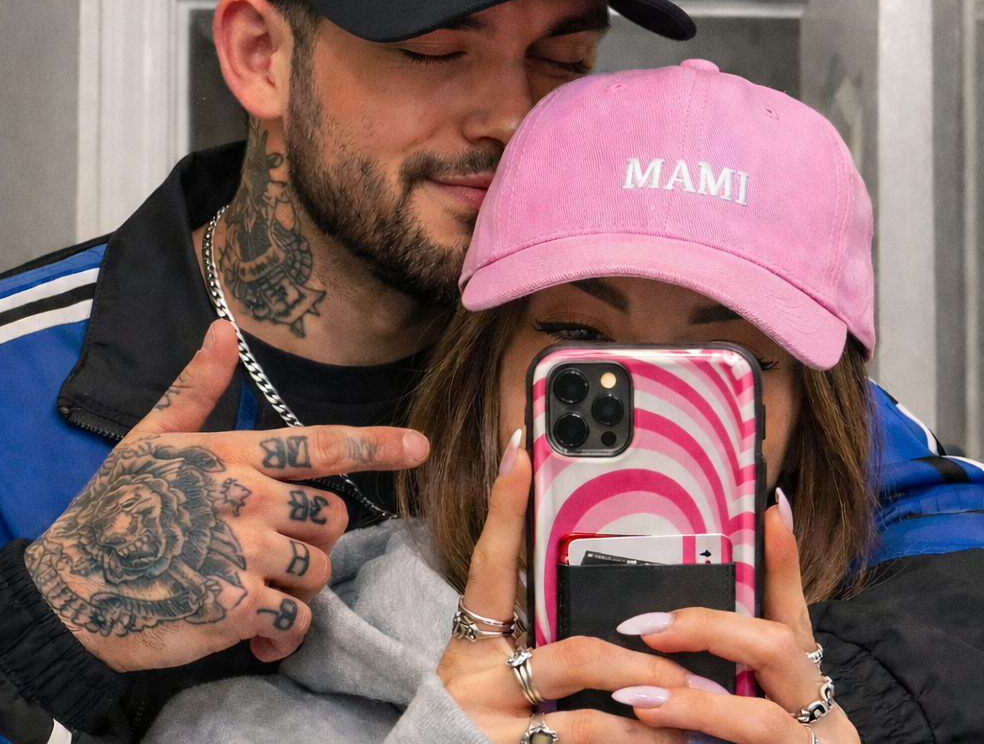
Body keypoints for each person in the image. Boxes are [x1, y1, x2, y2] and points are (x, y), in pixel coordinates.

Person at [0, 0, 696, 744]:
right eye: (438, 50)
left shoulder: (641, 333)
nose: (512, 114)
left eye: (562, 58)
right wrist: (49, 617)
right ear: (261, 56)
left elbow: (954, 538)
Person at [145, 62, 984, 744]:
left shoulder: (906, 692)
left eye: (722, 364)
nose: (656, 427)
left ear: (810, 416)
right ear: (482, 371)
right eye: (578, 340)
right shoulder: (241, 723)